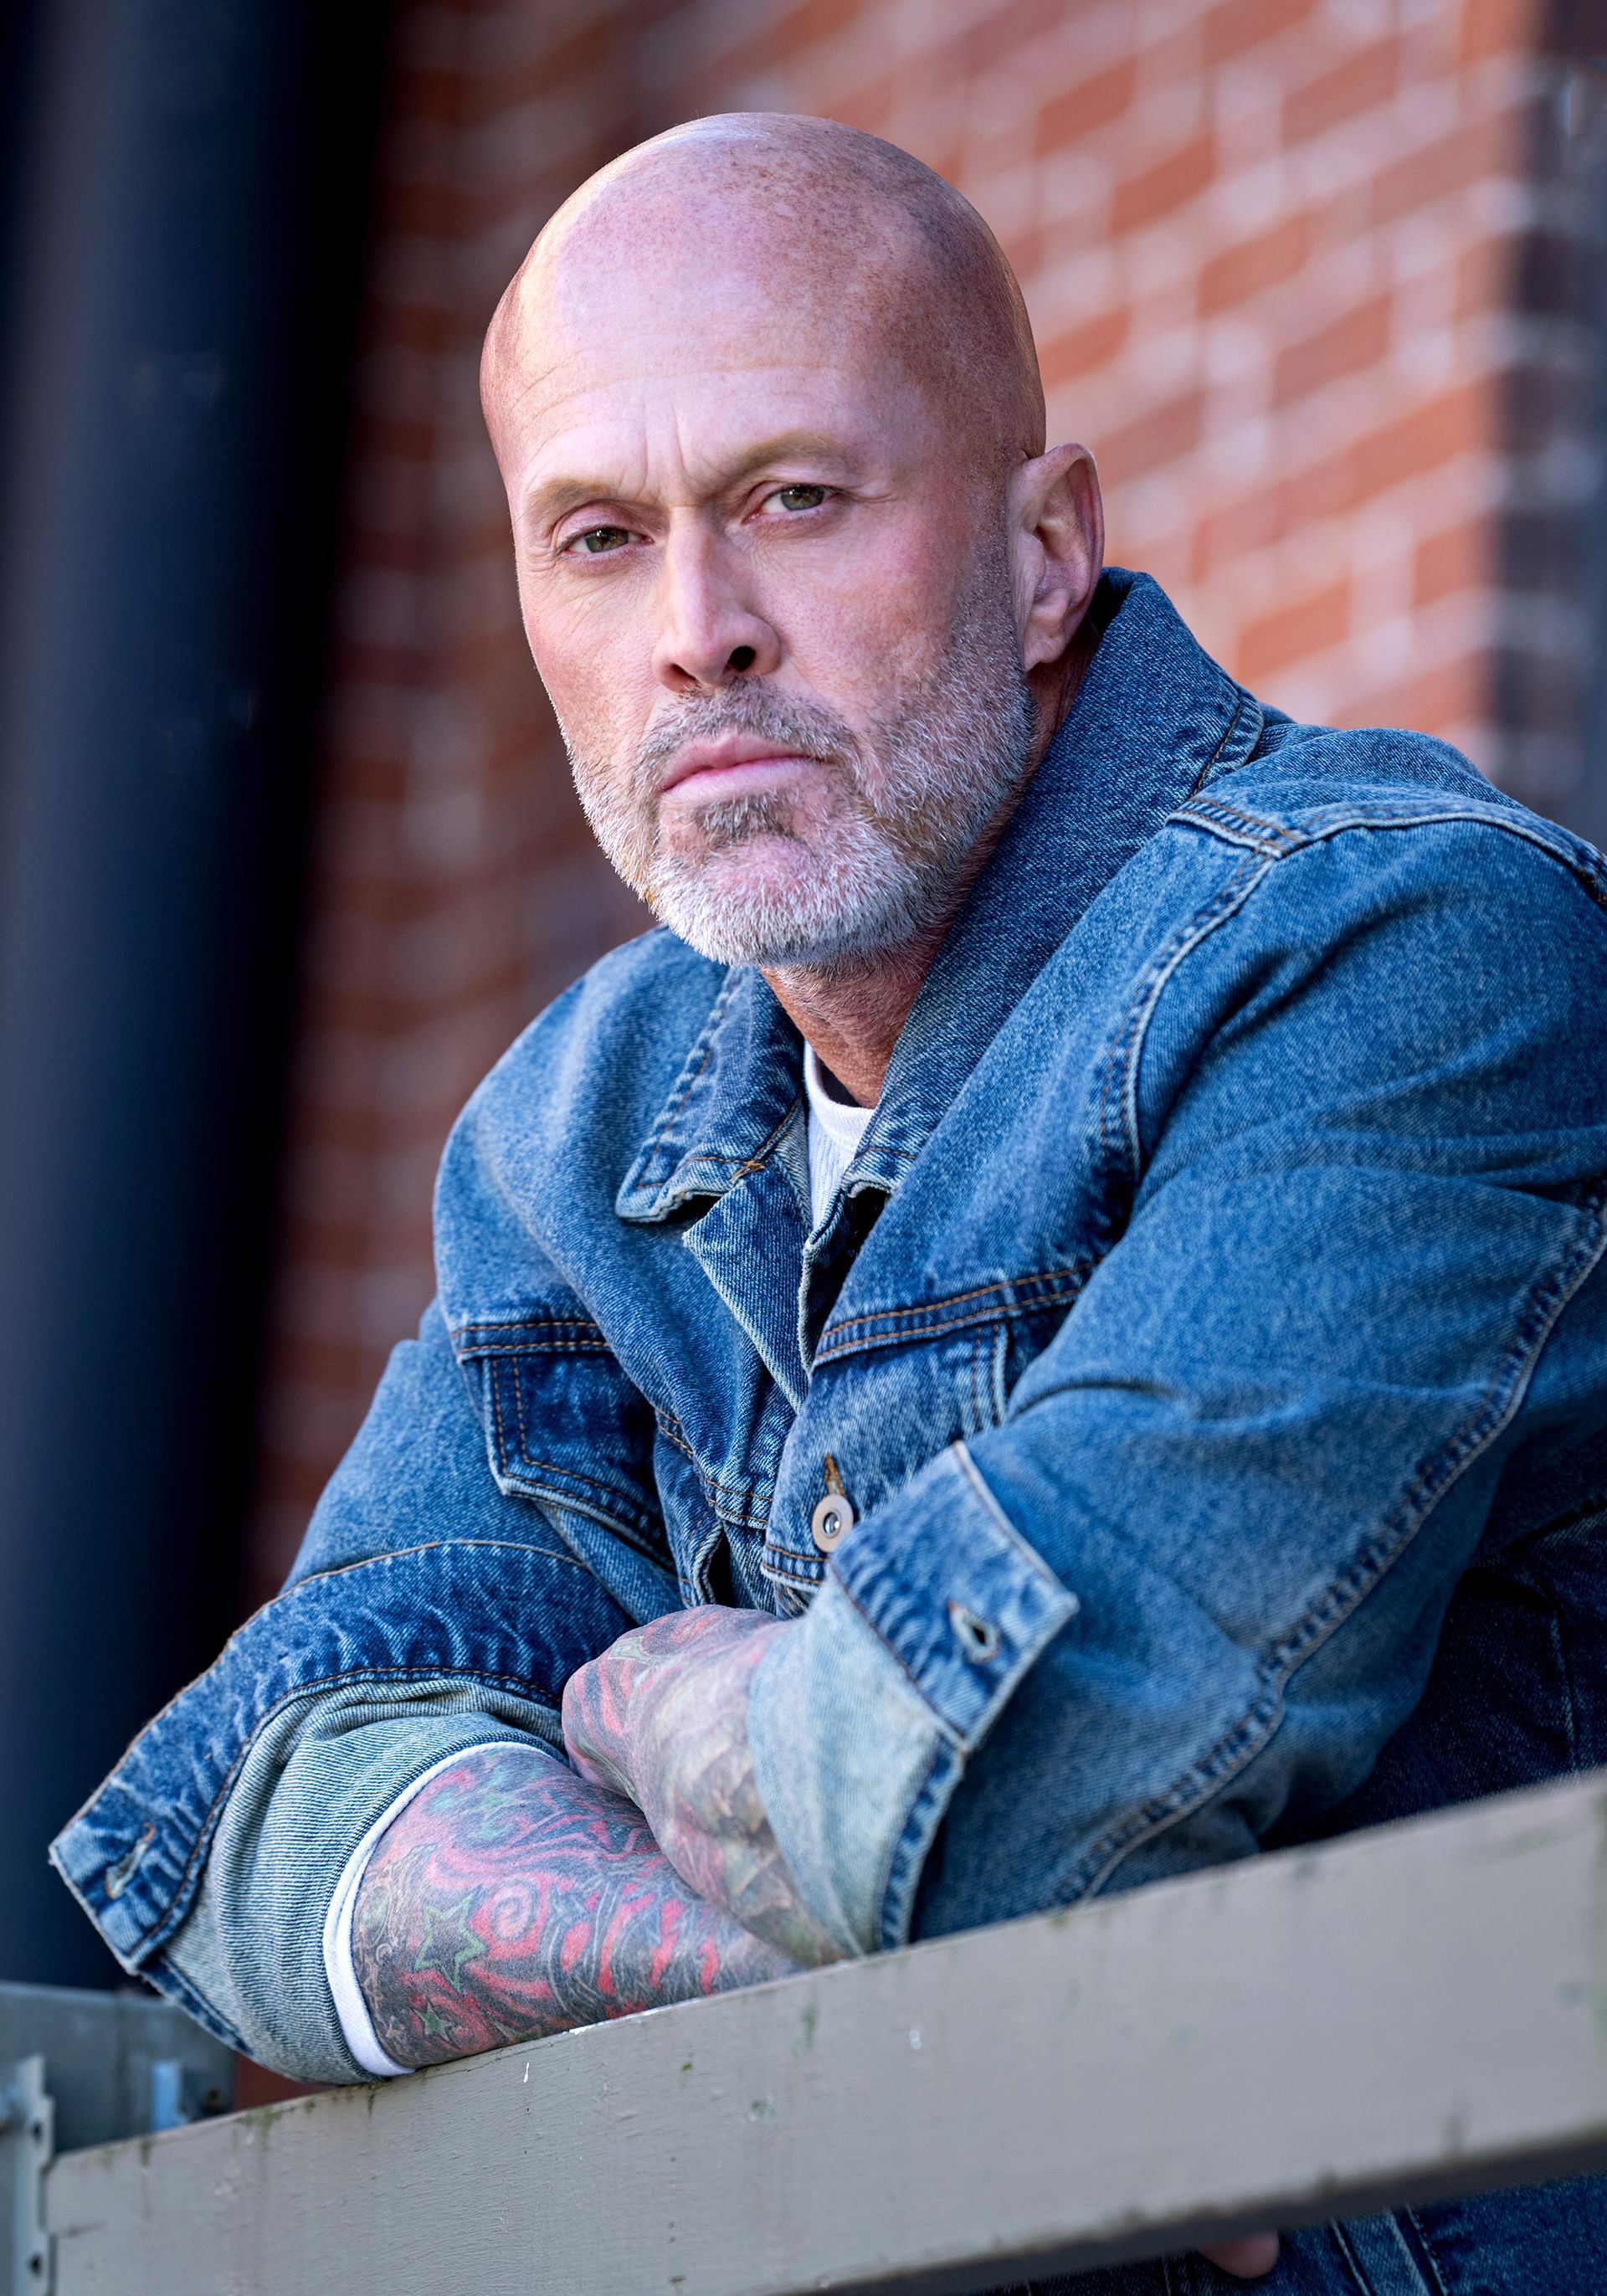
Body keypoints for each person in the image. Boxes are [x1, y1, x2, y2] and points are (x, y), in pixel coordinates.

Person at [52, 113, 1607, 2294]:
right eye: (600, 538)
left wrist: (658, 1711)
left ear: (1045, 550)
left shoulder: (1406, 948)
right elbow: (279, 1817)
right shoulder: (581, 1123)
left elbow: (1040, 1764)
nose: (698, 634)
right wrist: (876, 1989)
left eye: (795, 498)